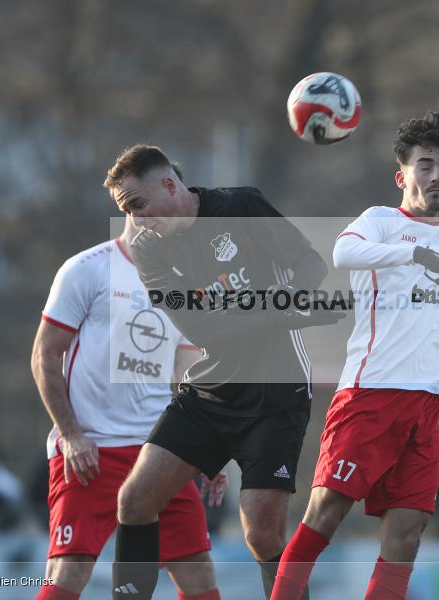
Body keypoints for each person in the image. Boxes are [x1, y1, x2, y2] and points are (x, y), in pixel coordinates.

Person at [269, 112, 439, 600]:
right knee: (324, 515)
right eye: (425, 165)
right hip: (371, 398)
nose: (437, 176)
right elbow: (343, 253)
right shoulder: (380, 222)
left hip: (427, 409)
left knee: (406, 536)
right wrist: (414, 253)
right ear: (402, 176)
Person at [103, 144, 342, 600]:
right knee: (134, 501)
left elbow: (310, 264)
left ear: (170, 185)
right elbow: (204, 329)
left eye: (138, 205)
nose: (135, 220)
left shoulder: (241, 206)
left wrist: (286, 304)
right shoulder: (148, 252)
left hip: (277, 390)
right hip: (211, 392)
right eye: (125, 212)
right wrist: (289, 311)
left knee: (262, 536)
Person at [31, 216, 223, 600]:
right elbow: (44, 355)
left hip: (160, 453)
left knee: (198, 572)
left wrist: (208, 449)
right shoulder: (87, 268)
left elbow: (187, 377)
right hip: (92, 452)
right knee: (69, 571)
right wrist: (71, 435)